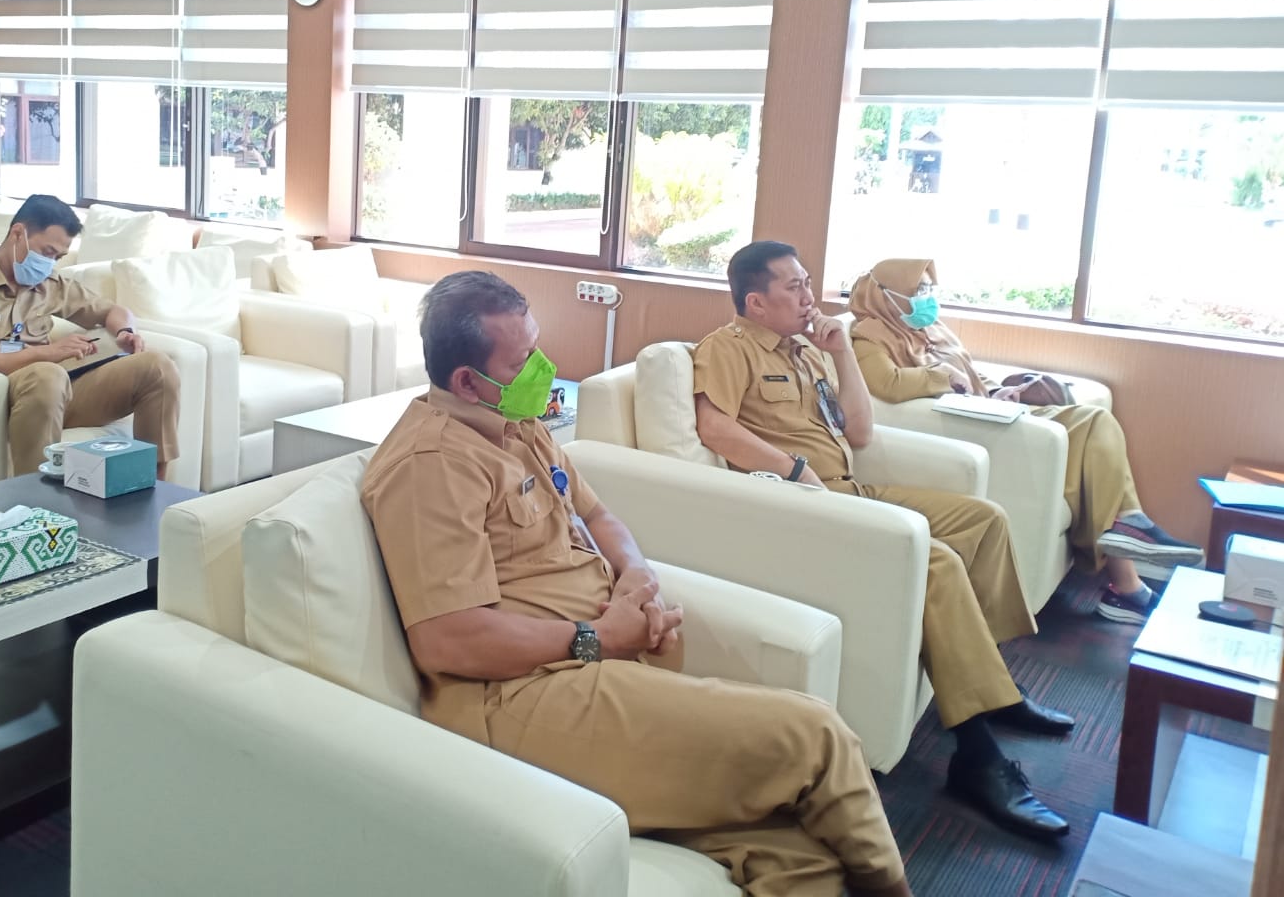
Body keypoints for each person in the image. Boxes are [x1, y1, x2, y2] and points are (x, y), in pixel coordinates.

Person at [362, 270, 914, 897]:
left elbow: (595, 515)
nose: (545, 366)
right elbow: (448, 641)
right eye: (525, 360)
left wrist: (635, 573)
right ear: (467, 381)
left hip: (603, 662)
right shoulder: (432, 466)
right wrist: (595, 637)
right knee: (814, 734)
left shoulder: (517, 425)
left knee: (796, 850)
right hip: (520, 696)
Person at [693, 241, 1074, 841]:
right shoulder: (727, 347)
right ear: (756, 302)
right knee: (937, 564)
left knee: (984, 520)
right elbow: (714, 425)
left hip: (855, 489)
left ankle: (990, 684)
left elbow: (861, 430)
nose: (809, 295)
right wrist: (794, 472)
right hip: (807, 508)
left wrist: (840, 353)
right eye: (793, 287)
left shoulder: (811, 349)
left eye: (808, 282)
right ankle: (977, 757)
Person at [848, 258, 1203, 624]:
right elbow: (887, 385)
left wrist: (1002, 390)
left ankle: (1127, 552)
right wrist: (941, 376)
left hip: (990, 409)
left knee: (1096, 427)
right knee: (1095, 423)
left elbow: (968, 370)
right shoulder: (868, 336)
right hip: (970, 428)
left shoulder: (929, 328)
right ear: (887, 296)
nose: (927, 298)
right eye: (917, 290)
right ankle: (1127, 560)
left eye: (929, 289)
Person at [0, 193, 181, 480]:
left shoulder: (50, 285)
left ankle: (154, 485)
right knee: (47, 374)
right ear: (17, 233)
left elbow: (112, 310)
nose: (50, 264)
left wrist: (125, 331)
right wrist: (44, 354)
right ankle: (39, 504)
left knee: (157, 365)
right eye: (46, 253)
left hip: (53, 394)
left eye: (58, 257)